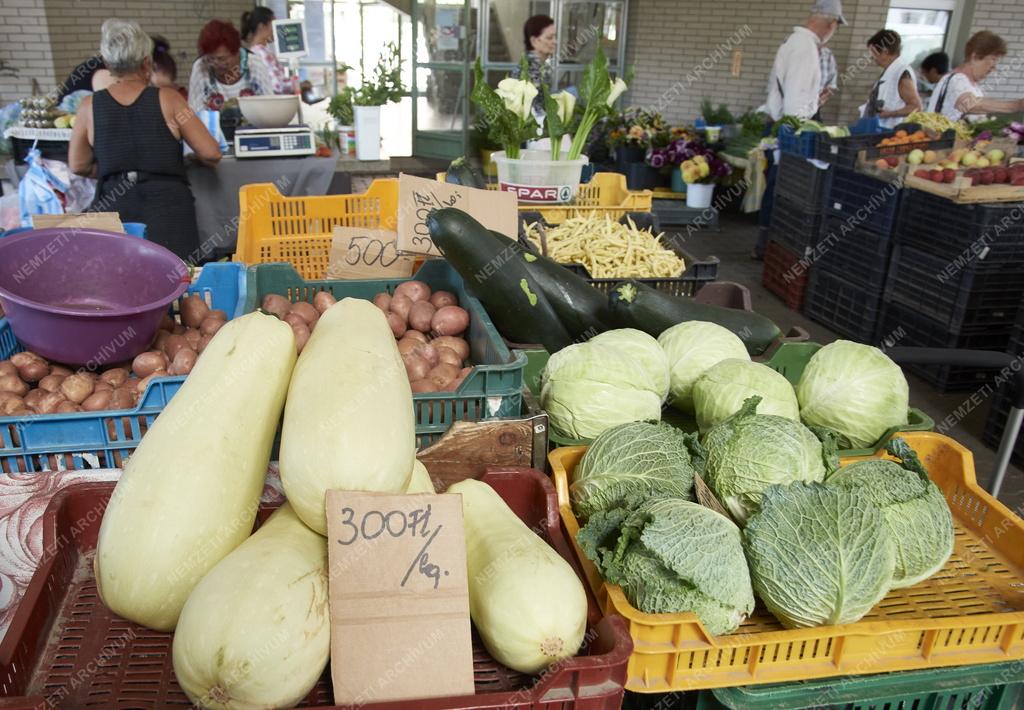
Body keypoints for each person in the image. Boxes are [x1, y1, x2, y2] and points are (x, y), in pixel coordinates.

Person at [69, 19, 222, 260]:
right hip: (168, 210)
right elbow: (211, 152)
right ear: (147, 62)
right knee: (176, 284)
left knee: (123, 285)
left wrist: (118, 170)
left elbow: (78, 165)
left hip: (115, 209)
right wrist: (186, 160)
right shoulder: (170, 100)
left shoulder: (89, 106)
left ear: (108, 63)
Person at [763, 0, 846, 121]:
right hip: (791, 123)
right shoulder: (805, 47)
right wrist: (796, 132)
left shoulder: (795, 40)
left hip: (783, 120)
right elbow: (796, 103)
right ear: (832, 24)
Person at [928, 32, 1024, 121]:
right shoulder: (957, 79)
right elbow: (967, 104)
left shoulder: (971, 84)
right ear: (975, 56)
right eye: (993, 59)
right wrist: (1016, 105)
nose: (994, 66)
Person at [187, 19, 270, 113]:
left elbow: (270, 106)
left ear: (237, 53)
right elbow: (194, 112)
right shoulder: (201, 67)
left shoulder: (254, 64)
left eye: (222, 59)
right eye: (211, 59)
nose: (216, 63)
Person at [860, 30, 921, 128]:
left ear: (885, 52)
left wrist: (889, 114)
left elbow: (916, 107)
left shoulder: (902, 73)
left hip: (891, 134)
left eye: (873, 52)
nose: (871, 57)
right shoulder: (889, 71)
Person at [241, 6, 296, 96]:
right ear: (261, 26)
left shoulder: (257, 51)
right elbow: (278, 86)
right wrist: (297, 84)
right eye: (273, 24)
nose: (277, 28)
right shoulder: (261, 54)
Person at [511, 14, 555, 115]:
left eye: (554, 37)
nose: (555, 42)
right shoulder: (529, 68)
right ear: (534, 41)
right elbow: (532, 108)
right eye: (549, 38)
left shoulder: (541, 65)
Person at [812, 45, 838, 121]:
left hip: (814, 109)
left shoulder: (827, 53)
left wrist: (824, 96)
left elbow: (831, 83)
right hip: (790, 108)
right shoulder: (794, 49)